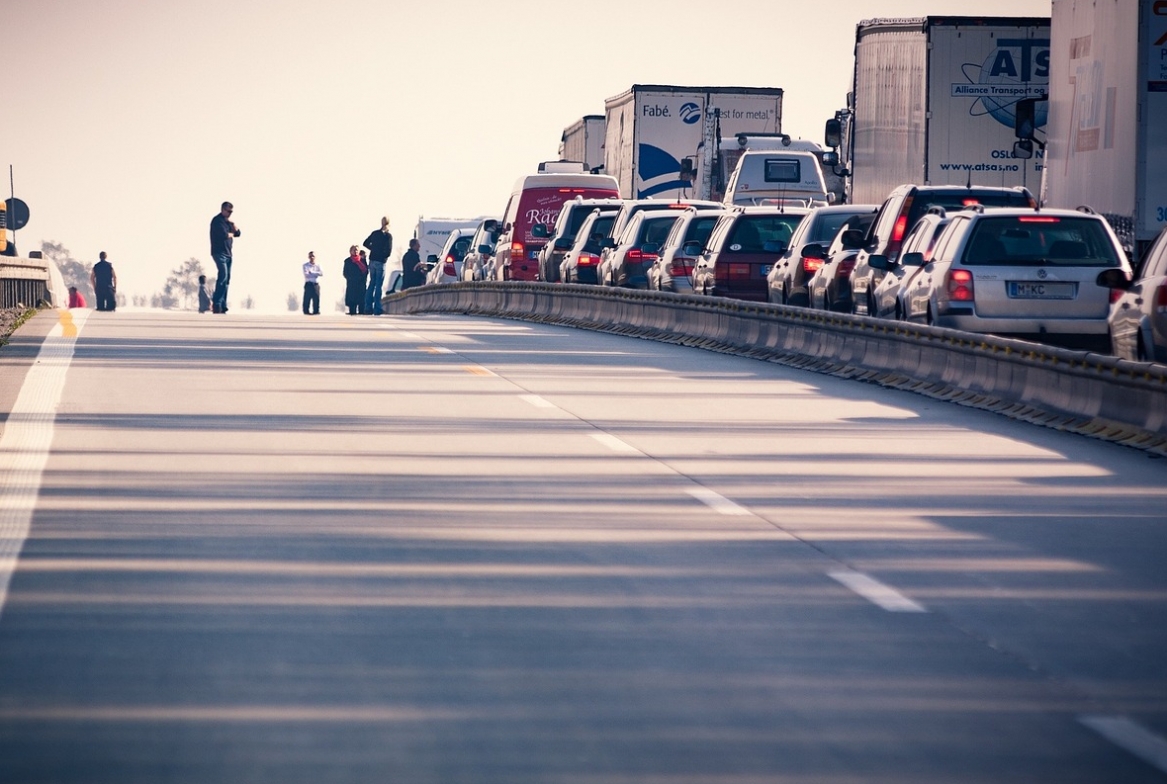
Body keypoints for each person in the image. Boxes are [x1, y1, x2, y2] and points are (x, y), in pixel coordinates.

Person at [209, 201, 241, 313]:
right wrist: (231, 234)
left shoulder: (228, 222)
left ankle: (223, 304)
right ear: (223, 209)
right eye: (228, 211)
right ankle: (216, 303)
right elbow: (224, 235)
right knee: (223, 276)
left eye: (231, 211)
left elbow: (238, 233)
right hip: (219, 252)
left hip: (228, 253)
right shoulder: (217, 221)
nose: (229, 213)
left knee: (227, 280)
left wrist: (232, 224)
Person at [363, 216, 393, 315]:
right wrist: (382, 255)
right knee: (378, 285)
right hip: (381, 261)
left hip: (372, 260)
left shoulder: (375, 233)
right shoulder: (388, 236)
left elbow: (365, 243)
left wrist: (373, 249)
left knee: (372, 283)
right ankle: (377, 308)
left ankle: (367, 307)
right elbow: (388, 252)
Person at [342, 245, 368, 315]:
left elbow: (366, 271)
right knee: (352, 299)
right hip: (352, 283)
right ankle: (352, 311)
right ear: (351, 251)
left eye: (357, 250)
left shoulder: (362, 260)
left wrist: (363, 279)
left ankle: (361, 311)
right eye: (354, 250)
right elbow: (345, 272)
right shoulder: (347, 261)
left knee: (361, 299)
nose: (355, 251)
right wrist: (350, 279)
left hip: (361, 283)